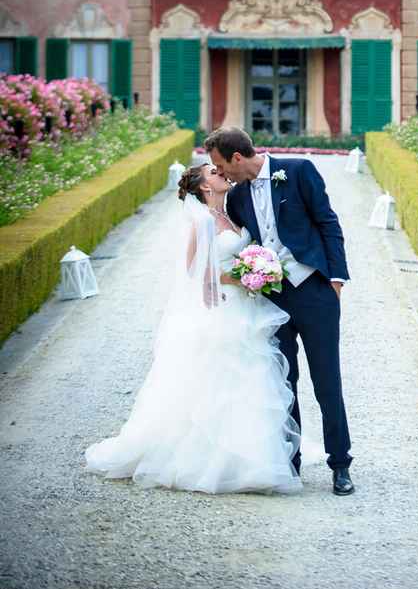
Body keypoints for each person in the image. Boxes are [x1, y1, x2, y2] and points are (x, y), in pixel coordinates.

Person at [84, 164, 301, 495]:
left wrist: (259, 267)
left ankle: (254, 460)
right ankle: (209, 461)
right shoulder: (201, 221)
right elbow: (194, 270)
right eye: (214, 173)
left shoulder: (230, 213)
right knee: (219, 379)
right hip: (221, 308)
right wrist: (245, 275)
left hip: (246, 306)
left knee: (252, 377)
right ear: (204, 187)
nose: (221, 174)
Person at [205, 127, 354, 496]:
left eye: (221, 166)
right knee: (283, 384)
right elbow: (238, 243)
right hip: (271, 299)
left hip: (315, 292)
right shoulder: (237, 197)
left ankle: (340, 465)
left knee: (327, 383)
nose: (221, 173)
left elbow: (328, 224)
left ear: (237, 157)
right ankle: (292, 462)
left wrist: (335, 279)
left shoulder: (299, 170)